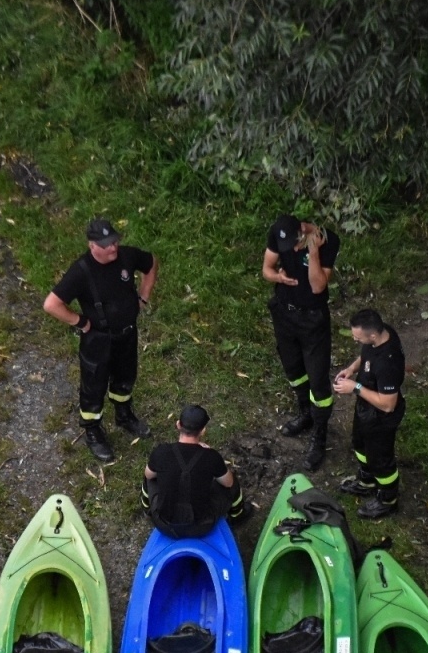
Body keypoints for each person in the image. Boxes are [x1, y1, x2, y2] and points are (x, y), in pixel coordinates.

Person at [43, 217, 159, 462]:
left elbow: (151, 264)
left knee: (125, 376)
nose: (113, 248)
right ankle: (93, 430)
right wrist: (80, 322)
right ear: (92, 245)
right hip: (98, 340)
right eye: (106, 245)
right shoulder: (81, 271)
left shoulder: (127, 257)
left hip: (127, 333)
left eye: (114, 241)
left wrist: (143, 297)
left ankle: (124, 414)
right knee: (94, 386)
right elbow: (52, 304)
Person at [262, 213, 339, 470]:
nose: (290, 251)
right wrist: (278, 278)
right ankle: (304, 413)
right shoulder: (279, 232)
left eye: (295, 244)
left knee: (317, 378)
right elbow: (267, 269)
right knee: (294, 369)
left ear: (303, 232)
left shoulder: (327, 241)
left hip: (312, 319)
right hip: (284, 312)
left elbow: (318, 287)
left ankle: (320, 434)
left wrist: (313, 253)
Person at [333, 308, 404, 519]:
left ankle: (388, 499)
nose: (355, 340)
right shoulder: (379, 336)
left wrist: (354, 388)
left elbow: (388, 404)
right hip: (366, 408)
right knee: (360, 444)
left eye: (358, 337)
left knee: (381, 460)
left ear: (372, 334)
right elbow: (365, 355)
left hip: (381, 417)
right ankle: (366, 481)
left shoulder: (387, 363)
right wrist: (351, 369)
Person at [140, 404, 247, 538]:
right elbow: (228, 483)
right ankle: (238, 516)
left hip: (164, 525)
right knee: (233, 482)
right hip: (201, 527)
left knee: (149, 476)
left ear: (178, 425)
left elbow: (148, 475)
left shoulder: (161, 452)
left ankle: (147, 509)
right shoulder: (211, 457)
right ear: (202, 431)